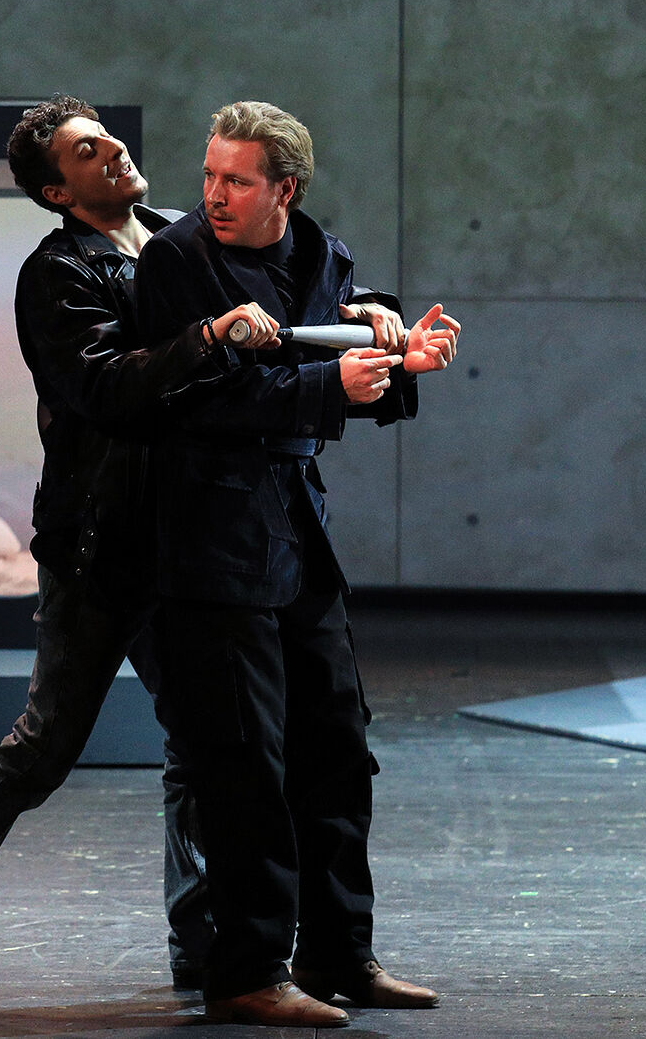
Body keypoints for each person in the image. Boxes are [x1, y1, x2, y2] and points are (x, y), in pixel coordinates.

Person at [0, 95, 288, 1016]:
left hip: (190, 538)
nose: (113, 151)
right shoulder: (57, 273)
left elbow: (290, 294)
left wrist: (368, 312)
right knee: (46, 745)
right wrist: (209, 335)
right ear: (58, 191)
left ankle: (201, 944)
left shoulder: (180, 235)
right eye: (87, 151)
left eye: (108, 137)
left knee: (204, 745)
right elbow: (105, 389)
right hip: (100, 545)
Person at [132, 100, 460, 1027]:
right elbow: (184, 402)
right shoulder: (175, 262)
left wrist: (400, 364)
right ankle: (246, 969)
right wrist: (328, 386)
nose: (214, 194)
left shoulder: (325, 258)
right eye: (209, 175)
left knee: (338, 748)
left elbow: (338, 378)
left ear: (287, 189)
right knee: (244, 764)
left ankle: (340, 953)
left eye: (236, 180)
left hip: (295, 531)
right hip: (210, 538)